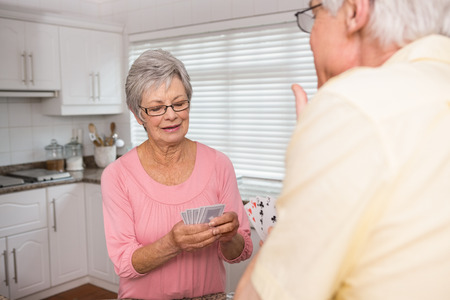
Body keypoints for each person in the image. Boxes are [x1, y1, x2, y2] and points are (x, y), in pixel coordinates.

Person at [235, 0, 450, 299]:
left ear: (354, 12)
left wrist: (323, 137)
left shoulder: (353, 106)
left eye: (315, 13)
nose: (311, 37)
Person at [101, 49, 253, 300]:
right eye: (157, 108)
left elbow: (241, 251)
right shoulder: (117, 176)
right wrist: (172, 243)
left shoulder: (219, 164)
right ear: (138, 114)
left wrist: (230, 237)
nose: (171, 115)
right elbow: (124, 263)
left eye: (179, 103)